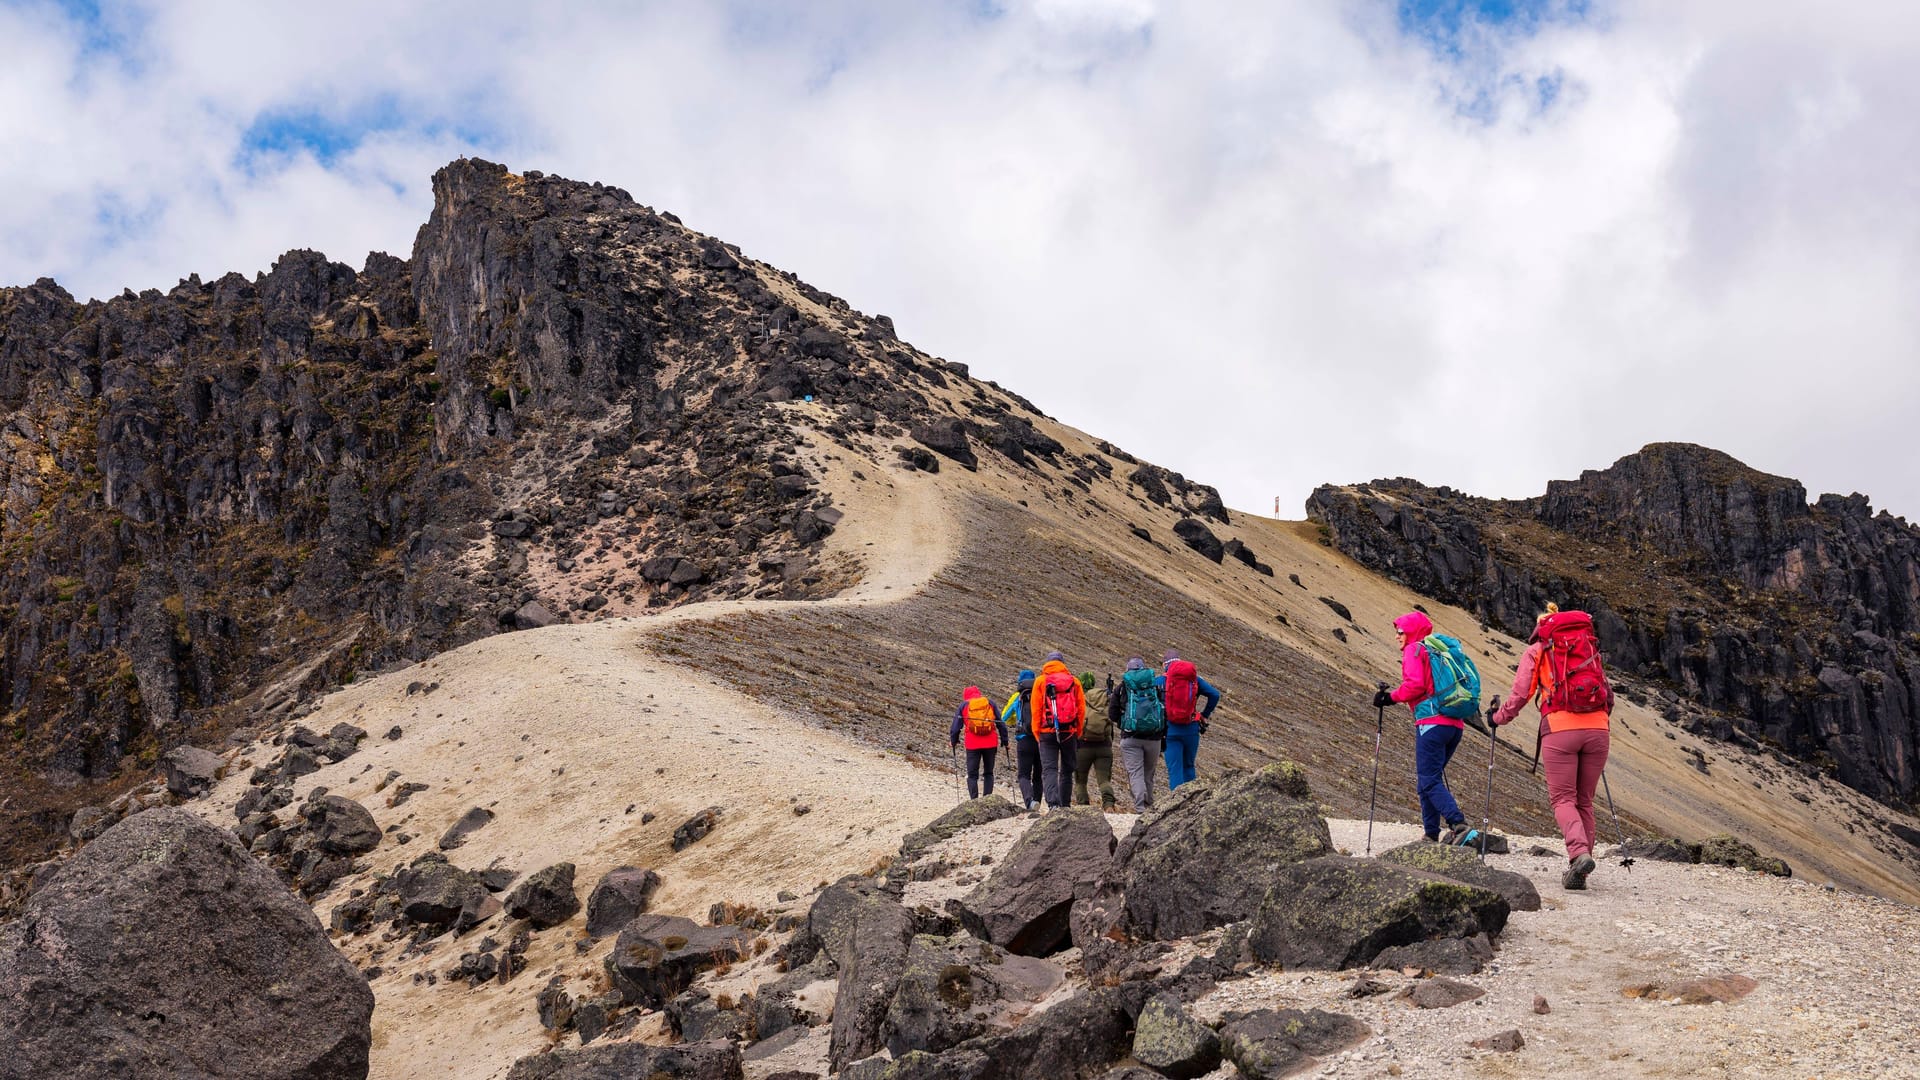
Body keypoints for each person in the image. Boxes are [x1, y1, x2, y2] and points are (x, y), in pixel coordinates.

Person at [1491, 603, 1614, 889]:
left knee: (1563, 799)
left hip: (1559, 729)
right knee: (1584, 800)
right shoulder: (1588, 647)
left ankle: (1579, 854)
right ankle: (1580, 867)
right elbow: (1607, 694)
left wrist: (1498, 717)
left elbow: (1521, 693)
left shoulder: (1539, 650)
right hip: (1598, 729)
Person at [1372, 611, 1472, 844]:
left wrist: (1390, 698)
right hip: (1454, 724)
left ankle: (1458, 824)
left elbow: (1415, 685)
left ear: (1411, 632)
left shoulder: (1414, 649)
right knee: (1427, 779)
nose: (1397, 636)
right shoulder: (1435, 651)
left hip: (1431, 724)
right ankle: (1430, 834)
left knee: (1429, 779)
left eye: (1400, 631)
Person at [1029, 651, 1086, 809]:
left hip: (1046, 732)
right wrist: (1078, 731)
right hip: (1070, 731)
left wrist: (1037, 733)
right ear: (1063, 664)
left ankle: (1053, 804)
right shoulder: (1074, 682)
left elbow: (1036, 711)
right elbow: (1081, 710)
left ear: (1047, 663)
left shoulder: (1040, 681)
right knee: (1067, 769)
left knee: (1049, 769)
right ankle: (1065, 804)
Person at [1158, 650, 1221, 790]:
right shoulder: (1194, 680)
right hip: (1191, 728)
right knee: (1188, 766)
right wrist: (1204, 714)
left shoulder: (1160, 681)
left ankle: (1176, 805)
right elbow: (1215, 695)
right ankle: (1193, 803)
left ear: (1164, 665)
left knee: (1175, 770)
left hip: (1170, 730)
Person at [1112, 657, 1167, 808]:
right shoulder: (1154, 686)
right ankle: (1149, 806)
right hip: (1154, 738)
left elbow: (1112, 714)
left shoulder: (1122, 688)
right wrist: (1163, 735)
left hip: (1130, 738)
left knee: (1136, 773)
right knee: (1149, 774)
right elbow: (1163, 712)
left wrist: (1124, 723)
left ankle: (1140, 806)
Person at [950, 685, 1010, 800]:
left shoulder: (964, 705)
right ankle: (987, 800)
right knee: (989, 773)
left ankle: (974, 800)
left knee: (972, 775)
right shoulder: (990, 703)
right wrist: (1005, 741)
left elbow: (955, 727)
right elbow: (1000, 722)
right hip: (990, 743)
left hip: (972, 744)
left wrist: (953, 741)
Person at [1073, 672, 1117, 810]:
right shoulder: (1103, 699)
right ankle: (1109, 804)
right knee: (1104, 780)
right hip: (1104, 746)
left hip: (1082, 746)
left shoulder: (1077, 699)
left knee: (1080, 781)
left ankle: (1083, 807)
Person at [1001, 669, 1040, 809]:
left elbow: (1004, 718)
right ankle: (1038, 801)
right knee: (1038, 774)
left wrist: (1014, 722)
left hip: (1024, 739)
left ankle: (1029, 802)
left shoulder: (1017, 697)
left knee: (1024, 774)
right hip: (1041, 740)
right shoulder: (1040, 695)